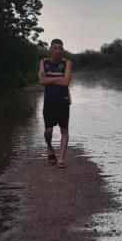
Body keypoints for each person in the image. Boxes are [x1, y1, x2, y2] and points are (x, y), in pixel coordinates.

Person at [38, 39, 72, 168]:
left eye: (60, 48)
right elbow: (41, 81)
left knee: (64, 129)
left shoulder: (67, 63)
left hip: (63, 101)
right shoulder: (44, 62)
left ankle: (61, 159)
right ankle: (50, 148)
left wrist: (49, 79)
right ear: (51, 49)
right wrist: (59, 78)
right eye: (55, 48)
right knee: (48, 131)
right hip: (49, 101)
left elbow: (66, 82)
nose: (58, 51)